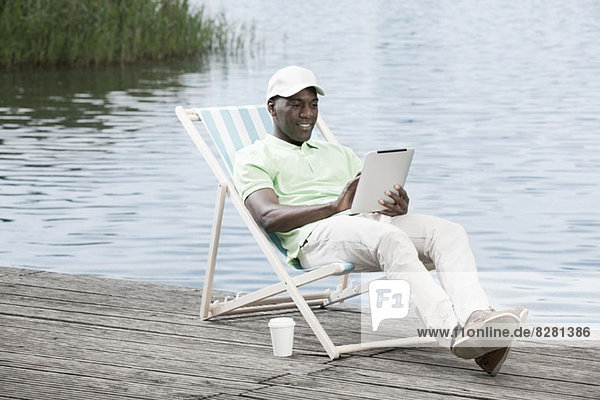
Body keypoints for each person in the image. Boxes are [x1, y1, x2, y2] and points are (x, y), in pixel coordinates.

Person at [233, 65, 527, 375]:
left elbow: (365, 202)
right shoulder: (253, 156)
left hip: (366, 227)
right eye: (296, 104)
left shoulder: (338, 153)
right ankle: (452, 331)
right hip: (314, 236)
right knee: (389, 239)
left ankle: (477, 317)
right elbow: (267, 216)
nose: (307, 113)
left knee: (448, 232)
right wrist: (333, 207)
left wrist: (394, 206)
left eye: (313, 104)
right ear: (272, 107)